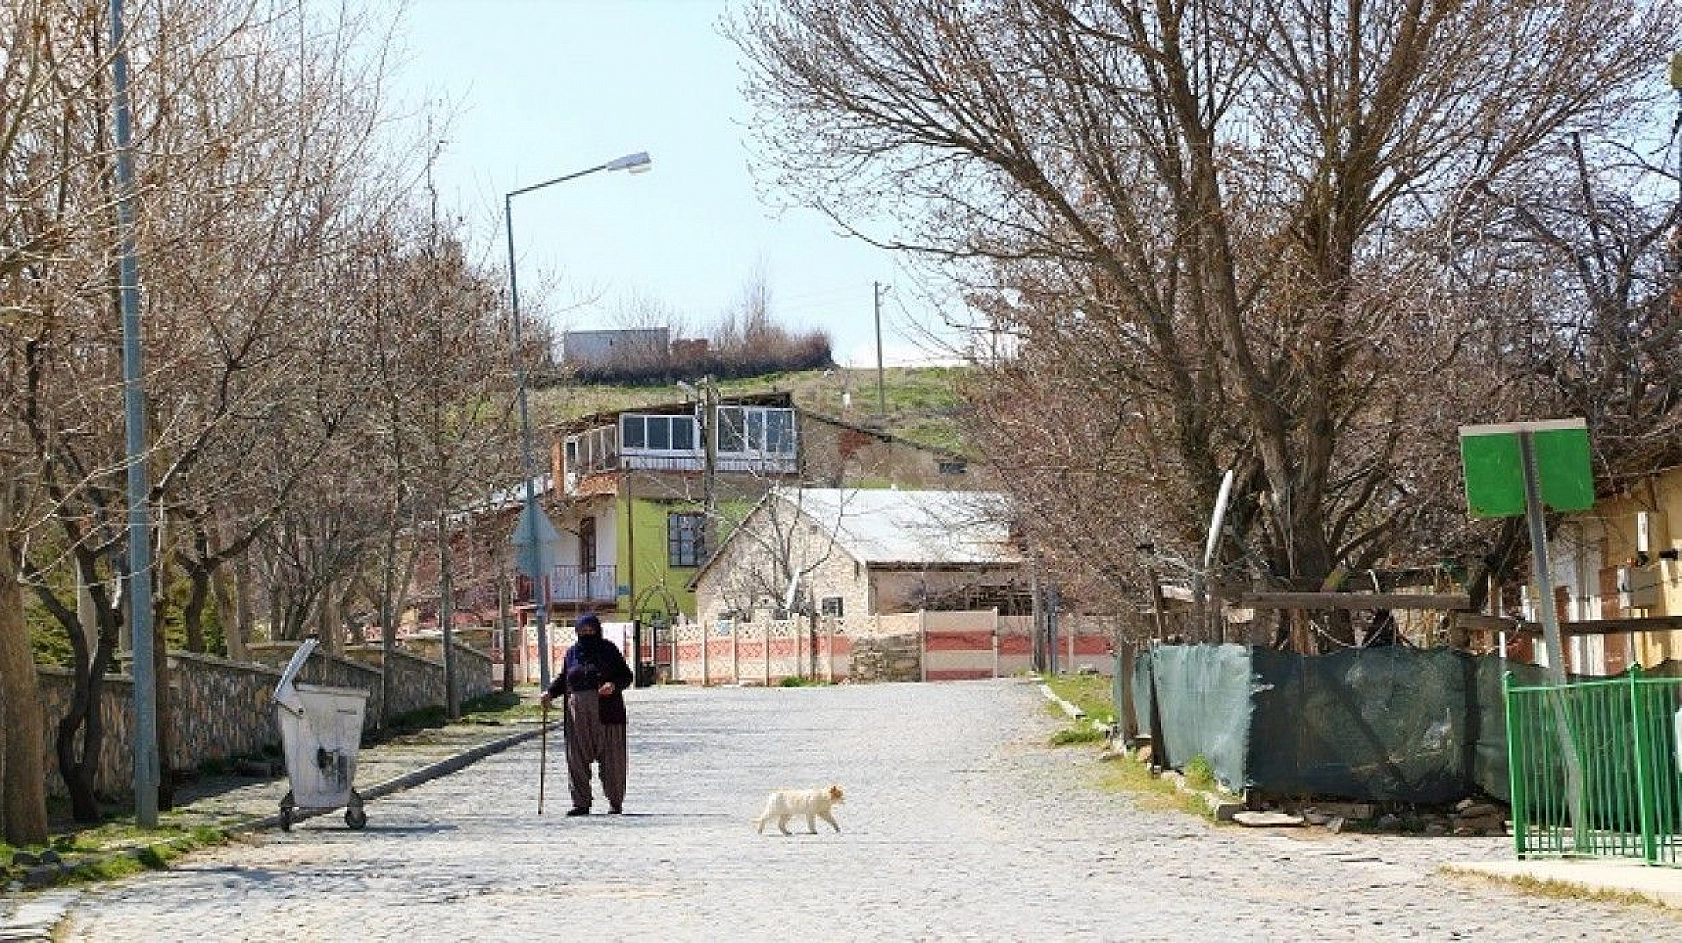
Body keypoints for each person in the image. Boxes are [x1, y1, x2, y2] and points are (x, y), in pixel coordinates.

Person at [540, 613, 634, 816]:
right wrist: (550, 692)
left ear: (598, 631)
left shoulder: (608, 650)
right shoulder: (572, 653)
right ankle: (581, 803)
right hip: (577, 716)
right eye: (583, 632)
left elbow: (626, 676)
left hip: (608, 713)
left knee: (612, 760)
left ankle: (615, 802)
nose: (587, 635)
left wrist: (613, 685)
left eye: (591, 631)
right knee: (576, 759)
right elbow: (565, 678)